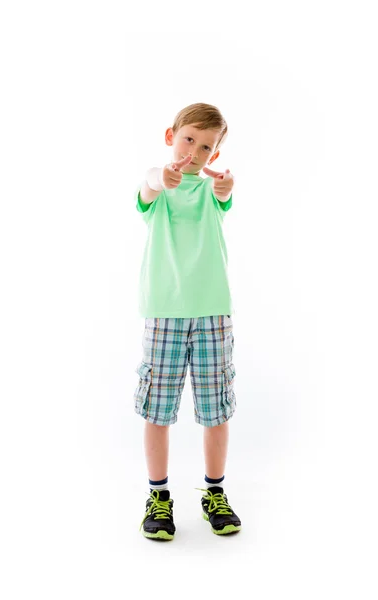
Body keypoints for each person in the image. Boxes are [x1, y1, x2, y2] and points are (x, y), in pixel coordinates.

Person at [134, 102, 241, 540]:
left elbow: (224, 196)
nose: (194, 150)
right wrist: (161, 176)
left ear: (214, 154)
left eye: (205, 146)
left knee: (216, 407)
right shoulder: (158, 186)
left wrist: (226, 186)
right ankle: (158, 497)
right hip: (164, 312)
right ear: (170, 136)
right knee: (157, 409)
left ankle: (214, 492)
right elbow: (148, 187)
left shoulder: (213, 190)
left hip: (214, 310)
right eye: (188, 139)